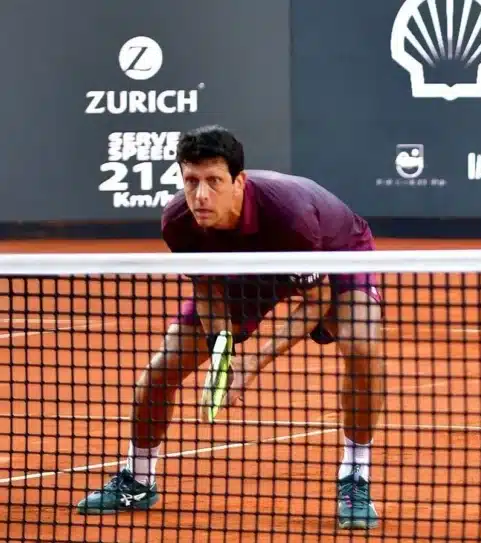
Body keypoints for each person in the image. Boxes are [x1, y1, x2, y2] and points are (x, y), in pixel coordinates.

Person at [75, 125, 384, 530]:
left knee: (361, 346)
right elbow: (208, 288)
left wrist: (250, 363)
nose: (201, 195)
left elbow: (316, 301)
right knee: (161, 369)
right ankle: (138, 478)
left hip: (335, 251)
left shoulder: (290, 216)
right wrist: (222, 346)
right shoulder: (179, 221)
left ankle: (355, 475)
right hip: (241, 269)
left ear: (238, 181)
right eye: (191, 181)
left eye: (214, 182)